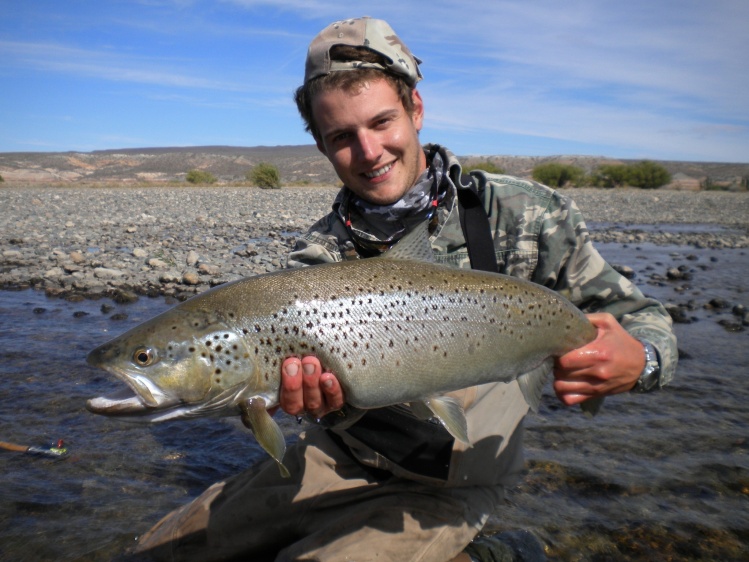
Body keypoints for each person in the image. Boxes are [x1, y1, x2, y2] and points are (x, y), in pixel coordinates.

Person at [133, 16, 677, 562]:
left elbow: (639, 317)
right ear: (321, 146)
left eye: (382, 122)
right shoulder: (315, 261)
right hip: (334, 462)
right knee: (156, 552)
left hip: (453, 485)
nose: (369, 152)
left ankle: (497, 554)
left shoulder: (525, 214)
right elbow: (278, 394)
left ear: (415, 109)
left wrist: (643, 361)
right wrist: (314, 407)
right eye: (342, 137)